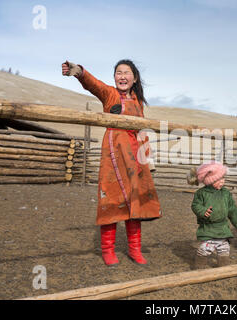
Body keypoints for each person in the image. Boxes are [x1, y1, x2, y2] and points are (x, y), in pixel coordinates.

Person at [62, 59, 161, 266]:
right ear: (114, 77)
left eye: (126, 73)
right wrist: (79, 72)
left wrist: (147, 158)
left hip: (134, 158)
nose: (122, 76)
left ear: (134, 79)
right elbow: (93, 84)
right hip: (113, 155)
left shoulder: (138, 102)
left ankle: (135, 250)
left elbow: (142, 131)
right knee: (110, 200)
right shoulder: (110, 94)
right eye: (118, 73)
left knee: (135, 202)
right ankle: (108, 250)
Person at [187, 161, 237, 269]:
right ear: (209, 180)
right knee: (205, 248)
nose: (222, 182)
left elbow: (232, 208)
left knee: (224, 248)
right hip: (208, 227)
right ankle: (199, 266)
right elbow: (195, 205)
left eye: (223, 178)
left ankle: (223, 267)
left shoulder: (225, 193)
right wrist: (203, 211)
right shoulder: (201, 193)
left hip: (223, 227)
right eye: (218, 179)